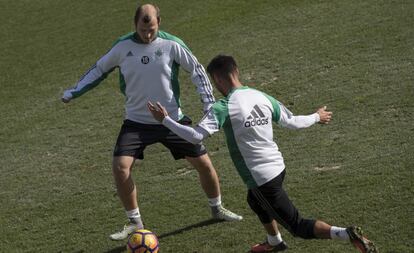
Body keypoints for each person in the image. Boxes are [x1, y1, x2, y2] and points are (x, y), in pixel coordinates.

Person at [147, 55, 378, 253]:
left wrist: (165, 120)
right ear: (236, 71)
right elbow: (292, 122)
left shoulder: (223, 107)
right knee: (254, 201)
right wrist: (317, 116)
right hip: (278, 168)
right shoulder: (260, 96)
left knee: (297, 225)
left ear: (217, 79)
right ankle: (274, 242)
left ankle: (346, 234)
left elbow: (195, 136)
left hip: (261, 179)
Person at [62, 5, 242, 241]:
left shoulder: (172, 44)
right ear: (135, 24)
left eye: (152, 29)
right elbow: (98, 69)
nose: (147, 35)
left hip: (171, 119)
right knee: (120, 167)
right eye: (143, 29)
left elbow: (197, 71)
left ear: (159, 22)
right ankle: (135, 223)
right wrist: (73, 91)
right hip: (136, 122)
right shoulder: (122, 47)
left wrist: (208, 104)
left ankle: (217, 208)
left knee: (204, 164)